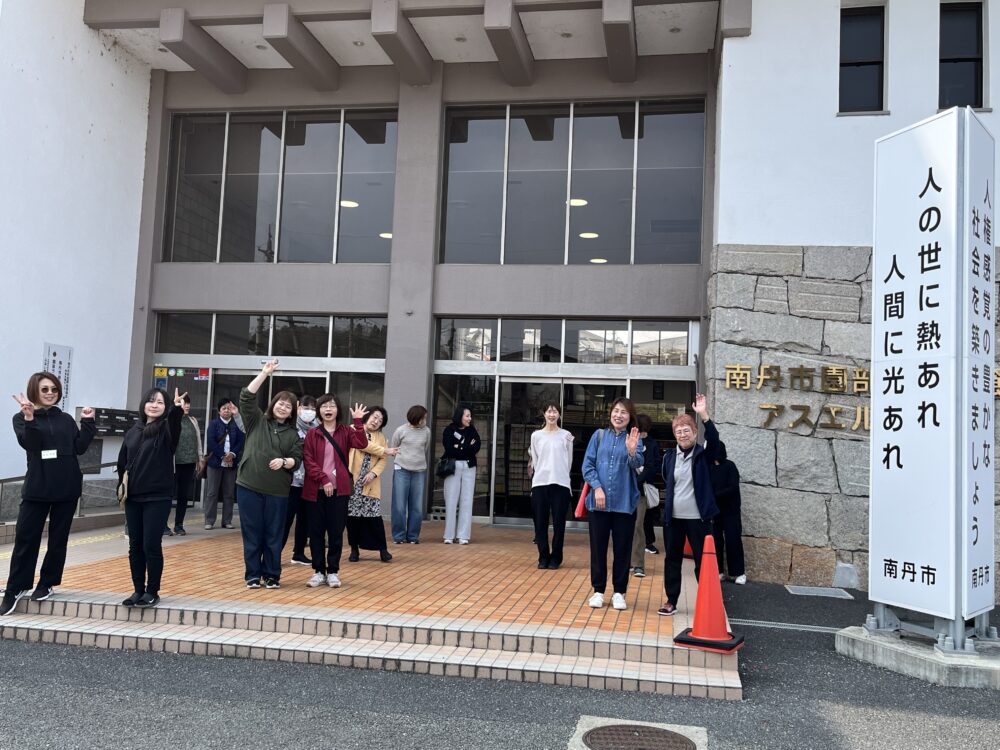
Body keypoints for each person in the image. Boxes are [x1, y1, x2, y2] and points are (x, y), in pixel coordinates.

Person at [2, 373, 96, 616]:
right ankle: (16, 587)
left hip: (67, 486)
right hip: (37, 486)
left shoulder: (65, 419)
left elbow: (79, 448)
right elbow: (31, 444)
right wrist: (30, 418)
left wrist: (87, 423)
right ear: (34, 390)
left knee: (58, 539)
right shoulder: (21, 418)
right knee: (25, 537)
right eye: (45, 389)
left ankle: (47, 583)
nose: (50, 393)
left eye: (54, 389)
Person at [235, 360, 303, 590]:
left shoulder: (293, 434)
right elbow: (246, 396)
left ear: (292, 412)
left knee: (274, 534)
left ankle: (272, 575)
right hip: (249, 486)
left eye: (288, 406)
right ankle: (253, 575)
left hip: (277, 492)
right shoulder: (257, 420)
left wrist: (284, 461)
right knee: (252, 533)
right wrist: (264, 373)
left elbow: (296, 460)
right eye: (280, 403)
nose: (283, 408)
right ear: (273, 404)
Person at [116, 388, 185, 608]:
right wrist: (122, 488)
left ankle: (152, 591)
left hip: (158, 497)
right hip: (133, 497)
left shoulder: (167, 430)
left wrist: (175, 410)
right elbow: (122, 462)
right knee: (135, 545)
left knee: (151, 545)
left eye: (160, 402)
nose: (154, 405)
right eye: (151, 401)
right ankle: (138, 589)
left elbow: (174, 424)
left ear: (165, 408)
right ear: (143, 404)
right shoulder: (133, 431)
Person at [657, 393, 720, 617]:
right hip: (673, 518)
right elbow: (667, 480)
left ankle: (707, 601)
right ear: (674, 434)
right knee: (672, 560)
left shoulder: (703, 454)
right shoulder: (669, 457)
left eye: (686, 430)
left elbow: (715, 440)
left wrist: (704, 415)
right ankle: (671, 600)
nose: (683, 434)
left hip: (698, 518)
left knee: (703, 561)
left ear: (694, 432)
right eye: (678, 431)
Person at [302, 393, 369, 588]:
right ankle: (318, 571)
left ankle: (332, 571)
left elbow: (362, 444)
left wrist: (358, 422)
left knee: (336, 532)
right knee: (316, 532)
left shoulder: (346, 431)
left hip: (340, 491)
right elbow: (308, 460)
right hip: (315, 490)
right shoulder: (313, 433)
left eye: (331, 406)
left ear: (338, 409)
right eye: (324, 406)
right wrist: (323, 479)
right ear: (319, 411)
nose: (328, 409)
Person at [582, 397, 643, 611]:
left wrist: (632, 451)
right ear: (610, 413)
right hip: (598, 504)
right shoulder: (598, 436)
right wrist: (597, 487)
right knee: (598, 549)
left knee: (622, 550)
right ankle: (598, 591)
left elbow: (638, 466)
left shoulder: (634, 438)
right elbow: (587, 465)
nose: (619, 415)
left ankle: (619, 592)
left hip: (624, 503)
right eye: (616, 411)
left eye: (623, 412)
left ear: (630, 416)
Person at [347, 406, 395, 563]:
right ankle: (354, 549)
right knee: (353, 518)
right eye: (375, 417)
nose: (376, 421)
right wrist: (384, 450)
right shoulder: (352, 429)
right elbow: (363, 444)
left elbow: (383, 460)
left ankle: (383, 550)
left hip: (371, 483)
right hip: (352, 482)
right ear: (367, 416)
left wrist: (373, 473)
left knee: (374, 518)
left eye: (380, 421)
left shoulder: (381, 437)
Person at [528, 403, 573, 570]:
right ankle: (543, 556)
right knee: (540, 523)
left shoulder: (566, 435)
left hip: (561, 483)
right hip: (540, 482)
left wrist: (562, 475)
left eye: (555, 412)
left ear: (559, 415)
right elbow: (535, 459)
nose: (552, 414)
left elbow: (569, 461)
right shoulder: (536, 436)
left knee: (559, 524)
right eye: (549, 411)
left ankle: (556, 558)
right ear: (544, 414)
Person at [282, 395, 317, 566]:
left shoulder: (317, 429)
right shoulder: (291, 426)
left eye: (312, 408)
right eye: (306, 407)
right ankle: (274, 554)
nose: (309, 411)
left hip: (308, 482)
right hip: (291, 482)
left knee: (305, 519)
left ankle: (299, 553)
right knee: (285, 520)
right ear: (298, 407)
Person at [389, 405, 430, 544]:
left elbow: (425, 449)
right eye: (423, 418)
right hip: (402, 469)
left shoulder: (427, 431)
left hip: (419, 471)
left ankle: (413, 536)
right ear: (416, 418)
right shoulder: (401, 430)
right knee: (399, 505)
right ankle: (399, 536)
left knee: (417, 506)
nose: (425, 420)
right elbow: (394, 448)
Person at [441, 404, 481, 544]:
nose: (470, 419)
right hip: (453, 467)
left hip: (469, 467)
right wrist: (466, 447)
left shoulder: (472, 430)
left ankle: (463, 535)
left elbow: (476, 447)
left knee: (467, 500)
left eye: (470, 416)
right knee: (451, 500)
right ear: (460, 416)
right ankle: (449, 535)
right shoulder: (449, 430)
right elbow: (449, 449)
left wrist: (459, 446)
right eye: (467, 416)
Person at [204, 398, 244, 530]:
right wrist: (222, 455)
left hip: (231, 463)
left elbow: (241, 441)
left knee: (229, 493)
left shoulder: (237, 424)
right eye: (224, 408)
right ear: (219, 411)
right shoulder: (214, 424)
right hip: (215, 463)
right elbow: (211, 442)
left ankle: (227, 521)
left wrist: (232, 454)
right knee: (212, 493)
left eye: (228, 408)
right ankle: (209, 521)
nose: (226, 410)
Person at [711, 441, 746, 585]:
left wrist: (714, 495)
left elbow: (733, 487)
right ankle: (718, 571)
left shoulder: (730, 466)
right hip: (715, 510)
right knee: (716, 541)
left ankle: (739, 573)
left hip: (731, 510)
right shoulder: (708, 467)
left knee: (733, 540)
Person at [631, 414, 661, 579]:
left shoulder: (651, 444)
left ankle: (638, 563)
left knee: (637, 525)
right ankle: (628, 561)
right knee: (627, 527)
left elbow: (652, 466)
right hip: (626, 490)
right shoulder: (629, 440)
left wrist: (637, 480)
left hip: (640, 490)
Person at [169, 394, 202, 536]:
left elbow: (198, 440)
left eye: (188, 403)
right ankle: (163, 525)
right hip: (174, 464)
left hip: (189, 462)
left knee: (183, 496)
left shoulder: (193, 420)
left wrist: (200, 458)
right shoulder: (171, 419)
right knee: (169, 494)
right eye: (184, 403)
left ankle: (179, 525)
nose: (187, 406)